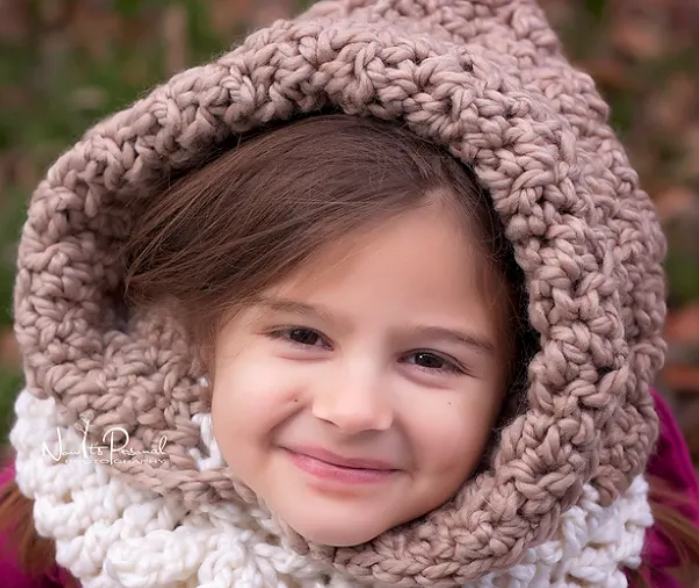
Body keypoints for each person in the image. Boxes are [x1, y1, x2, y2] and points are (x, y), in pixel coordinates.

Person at [0, 0, 698, 587]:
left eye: (429, 359)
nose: (351, 411)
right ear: (200, 330)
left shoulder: (623, 552)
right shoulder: (78, 490)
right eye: (303, 336)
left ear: (528, 388)